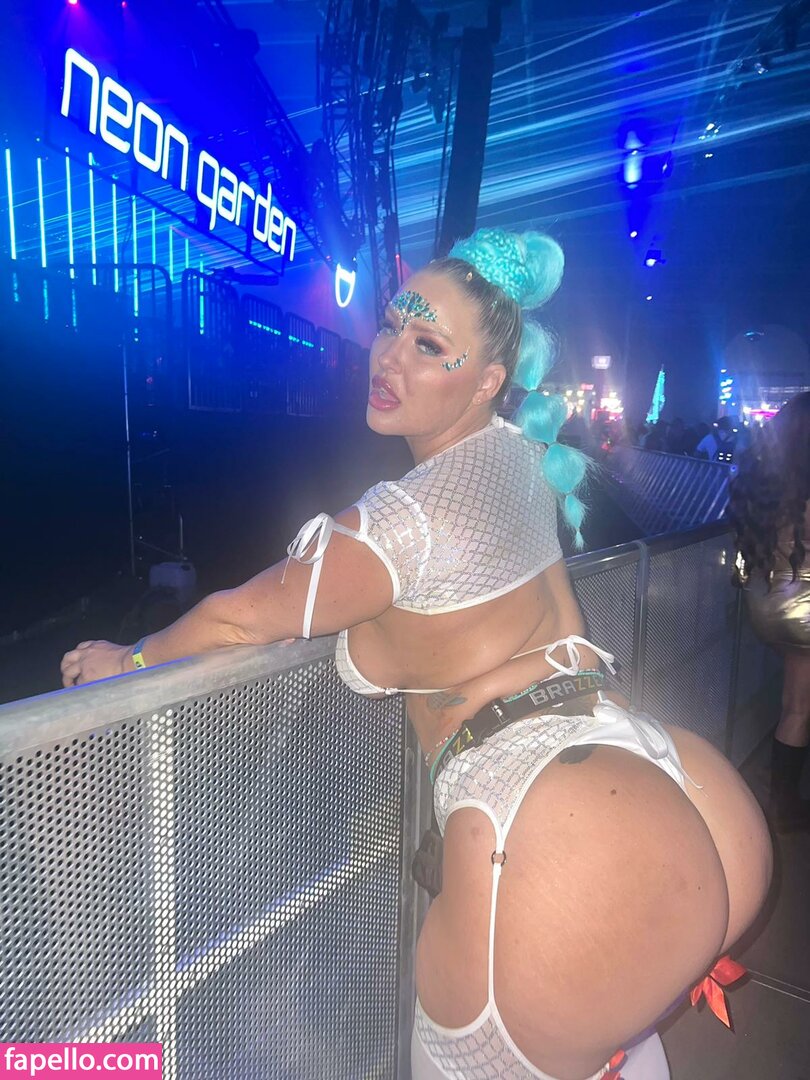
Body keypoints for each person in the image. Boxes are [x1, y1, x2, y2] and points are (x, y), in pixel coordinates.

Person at [62, 228, 771, 1080]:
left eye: (429, 345)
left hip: (552, 839)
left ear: (489, 380)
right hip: (659, 772)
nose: (390, 355)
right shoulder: (520, 458)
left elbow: (235, 621)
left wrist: (127, 663)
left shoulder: (401, 525)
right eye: (394, 325)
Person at [729, 391, 810, 832]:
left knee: (795, 699)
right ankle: (783, 805)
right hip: (804, 611)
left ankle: (782, 786)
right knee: (799, 708)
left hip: (769, 602)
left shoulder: (770, 485)